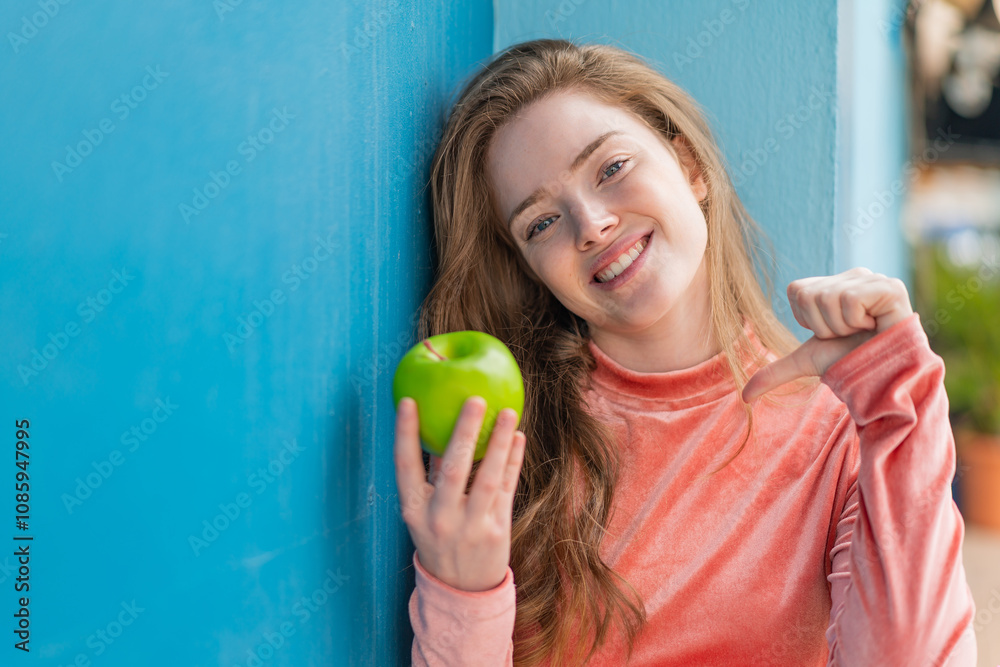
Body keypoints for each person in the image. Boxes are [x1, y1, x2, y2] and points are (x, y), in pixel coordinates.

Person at [393, 38, 978, 666]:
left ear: (690, 163)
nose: (590, 224)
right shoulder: (513, 452)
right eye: (540, 222)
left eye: (612, 168)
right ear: (532, 269)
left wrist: (897, 404)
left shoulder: (840, 436)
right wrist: (463, 598)